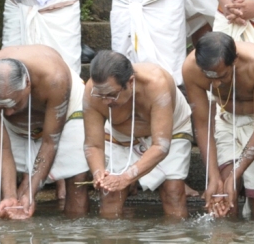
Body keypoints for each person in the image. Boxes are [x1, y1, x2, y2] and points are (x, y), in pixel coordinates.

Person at [0, 46, 89, 219]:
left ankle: (75, 240)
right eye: (1, 107)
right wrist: (10, 196)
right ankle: (0, 230)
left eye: (14, 104)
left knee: (77, 178)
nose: (9, 113)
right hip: (15, 128)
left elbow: (50, 142)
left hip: (66, 115)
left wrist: (30, 194)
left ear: (28, 84)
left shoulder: (54, 79)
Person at [83, 51, 195, 218]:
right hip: (119, 135)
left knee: (173, 192)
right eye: (101, 96)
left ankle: (175, 241)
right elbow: (93, 144)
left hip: (170, 131)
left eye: (112, 95)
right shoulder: (93, 92)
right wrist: (99, 173)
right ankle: (108, 242)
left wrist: (126, 178)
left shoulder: (156, 84)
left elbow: (161, 146)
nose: (105, 101)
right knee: (109, 193)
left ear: (131, 82)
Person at [183, 33, 254, 218]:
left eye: (222, 75)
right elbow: (202, 125)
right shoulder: (191, 68)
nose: (216, 83)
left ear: (235, 61)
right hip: (226, 119)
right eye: (210, 77)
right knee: (222, 193)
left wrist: (236, 174)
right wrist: (213, 176)